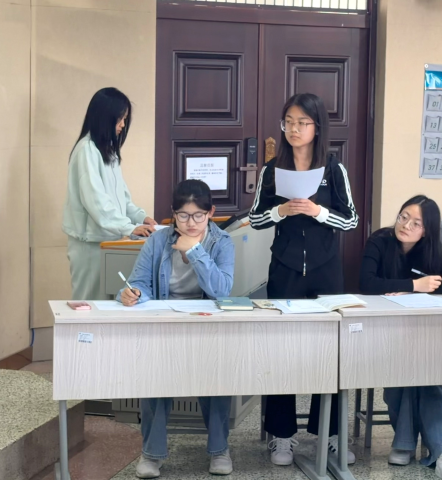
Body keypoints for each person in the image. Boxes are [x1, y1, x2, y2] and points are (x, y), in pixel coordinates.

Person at [249, 93, 359, 466]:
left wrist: (318, 211)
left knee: (330, 351)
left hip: (327, 272)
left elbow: (351, 219)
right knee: (283, 352)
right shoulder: (271, 169)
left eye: (302, 123)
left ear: (317, 127)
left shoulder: (333, 168)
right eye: (289, 122)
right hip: (285, 270)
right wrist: (280, 211)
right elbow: (255, 218)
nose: (294, 129)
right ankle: (282, 436)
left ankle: (330, 433)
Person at [117, 179, 236, 478]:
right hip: (166, 321)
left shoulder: (222, 242)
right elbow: (140, 281)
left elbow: (222, 290)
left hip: (207, 324)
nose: (191, 223)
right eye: (183, 215)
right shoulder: (158, 241)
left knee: (216, 380)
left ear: (211, 213)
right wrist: (134, 293)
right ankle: (151, 454)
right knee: (156, 381)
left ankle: (219, 449)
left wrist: (194, 251)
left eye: (198, 215)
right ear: (173, 213)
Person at [359, 195, 442, 480]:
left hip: (421, 333)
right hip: (382, 332)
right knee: (406, 375)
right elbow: (367, 283)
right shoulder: (379, 241)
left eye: (416, 223)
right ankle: (419, 446)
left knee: (426, 376)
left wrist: (412, 289)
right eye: (403, 216)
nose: (406, 225)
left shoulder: (430, 250)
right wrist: (415, 284)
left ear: (426, 230)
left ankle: (433, 451)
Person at [63, 87, 157, 300]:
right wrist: (129, 227)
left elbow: (122, 197)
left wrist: (140, 217)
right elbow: (96, 201)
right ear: (104, 117)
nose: (123, 125)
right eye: (120, 119)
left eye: (124, 119)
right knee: (89, 304)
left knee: (109, 304)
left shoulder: (107, 151)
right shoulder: (86, 150)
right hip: (90, 245)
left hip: (109, 240)